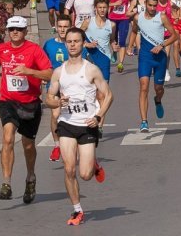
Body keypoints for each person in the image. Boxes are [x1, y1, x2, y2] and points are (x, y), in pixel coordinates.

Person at [45, 27, 113, 226]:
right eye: (69, 41)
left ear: (83, 44)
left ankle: (93, 164)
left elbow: (108, 95)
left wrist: (99, 116)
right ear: (65, 44)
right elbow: (48, 98)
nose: (73, 45)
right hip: (66, 123)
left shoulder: (91, 70)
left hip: (87, 124)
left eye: (76, 41)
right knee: (68, 169)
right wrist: (58, 102)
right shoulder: (59, 72)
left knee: (85, 174)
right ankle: (77, 210)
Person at [0, 16, 53, 202]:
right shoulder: (2, 48)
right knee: (7, 138)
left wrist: (30, 71)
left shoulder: (34, 50)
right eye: (11, 29)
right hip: (8, 101)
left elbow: (49, 73)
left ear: (25, 32)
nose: (14, 32)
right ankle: (6, 184)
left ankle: (30, 177)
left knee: (28, 144)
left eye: (18, 29)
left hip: (30, 103)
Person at [126, 0, 178, 132]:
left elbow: (174, 35)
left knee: (158, 89)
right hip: (145, 57)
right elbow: (134, 31)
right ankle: (144, 121)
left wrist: (161, 45)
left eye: (155, 5)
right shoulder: (138, 17)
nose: (153, 8)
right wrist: (130, 46)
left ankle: (158, 100)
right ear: (145, 4)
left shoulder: (161, 17)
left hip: (159, 57)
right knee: (143, 86)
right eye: (150, 5)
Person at [42, 16, 72, 162]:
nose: (62, 29)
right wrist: (42, 76)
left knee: (72, 118)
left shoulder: (74, 45)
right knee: (55, 116)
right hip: (54, 85)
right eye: (60, 26)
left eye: (65, 26)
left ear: (70, 27)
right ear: (56, 27)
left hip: (71, 87)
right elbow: (42, 62)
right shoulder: (49, 44)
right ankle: (56, 145)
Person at [81, 0, 116, 82]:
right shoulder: (87, 22)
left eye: (104, 7)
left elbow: (112, 40)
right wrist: (86, 44)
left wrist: (114, 46)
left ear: (108, 8)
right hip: (90, 58)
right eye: (100, 7)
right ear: (95, 8)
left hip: (105, 58)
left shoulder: (112, 25)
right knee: (91, 90)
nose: (102, 10)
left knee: (104, 91)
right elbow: (77, 38)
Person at [108, 0, 132, 73]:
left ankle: (120, 63)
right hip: (113, 18)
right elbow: (104, 2)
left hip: (123, 18)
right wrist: (114, 3)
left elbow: (132, 2)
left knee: (122, 40)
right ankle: (114, 50)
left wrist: (129, 11)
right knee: (113, 38)